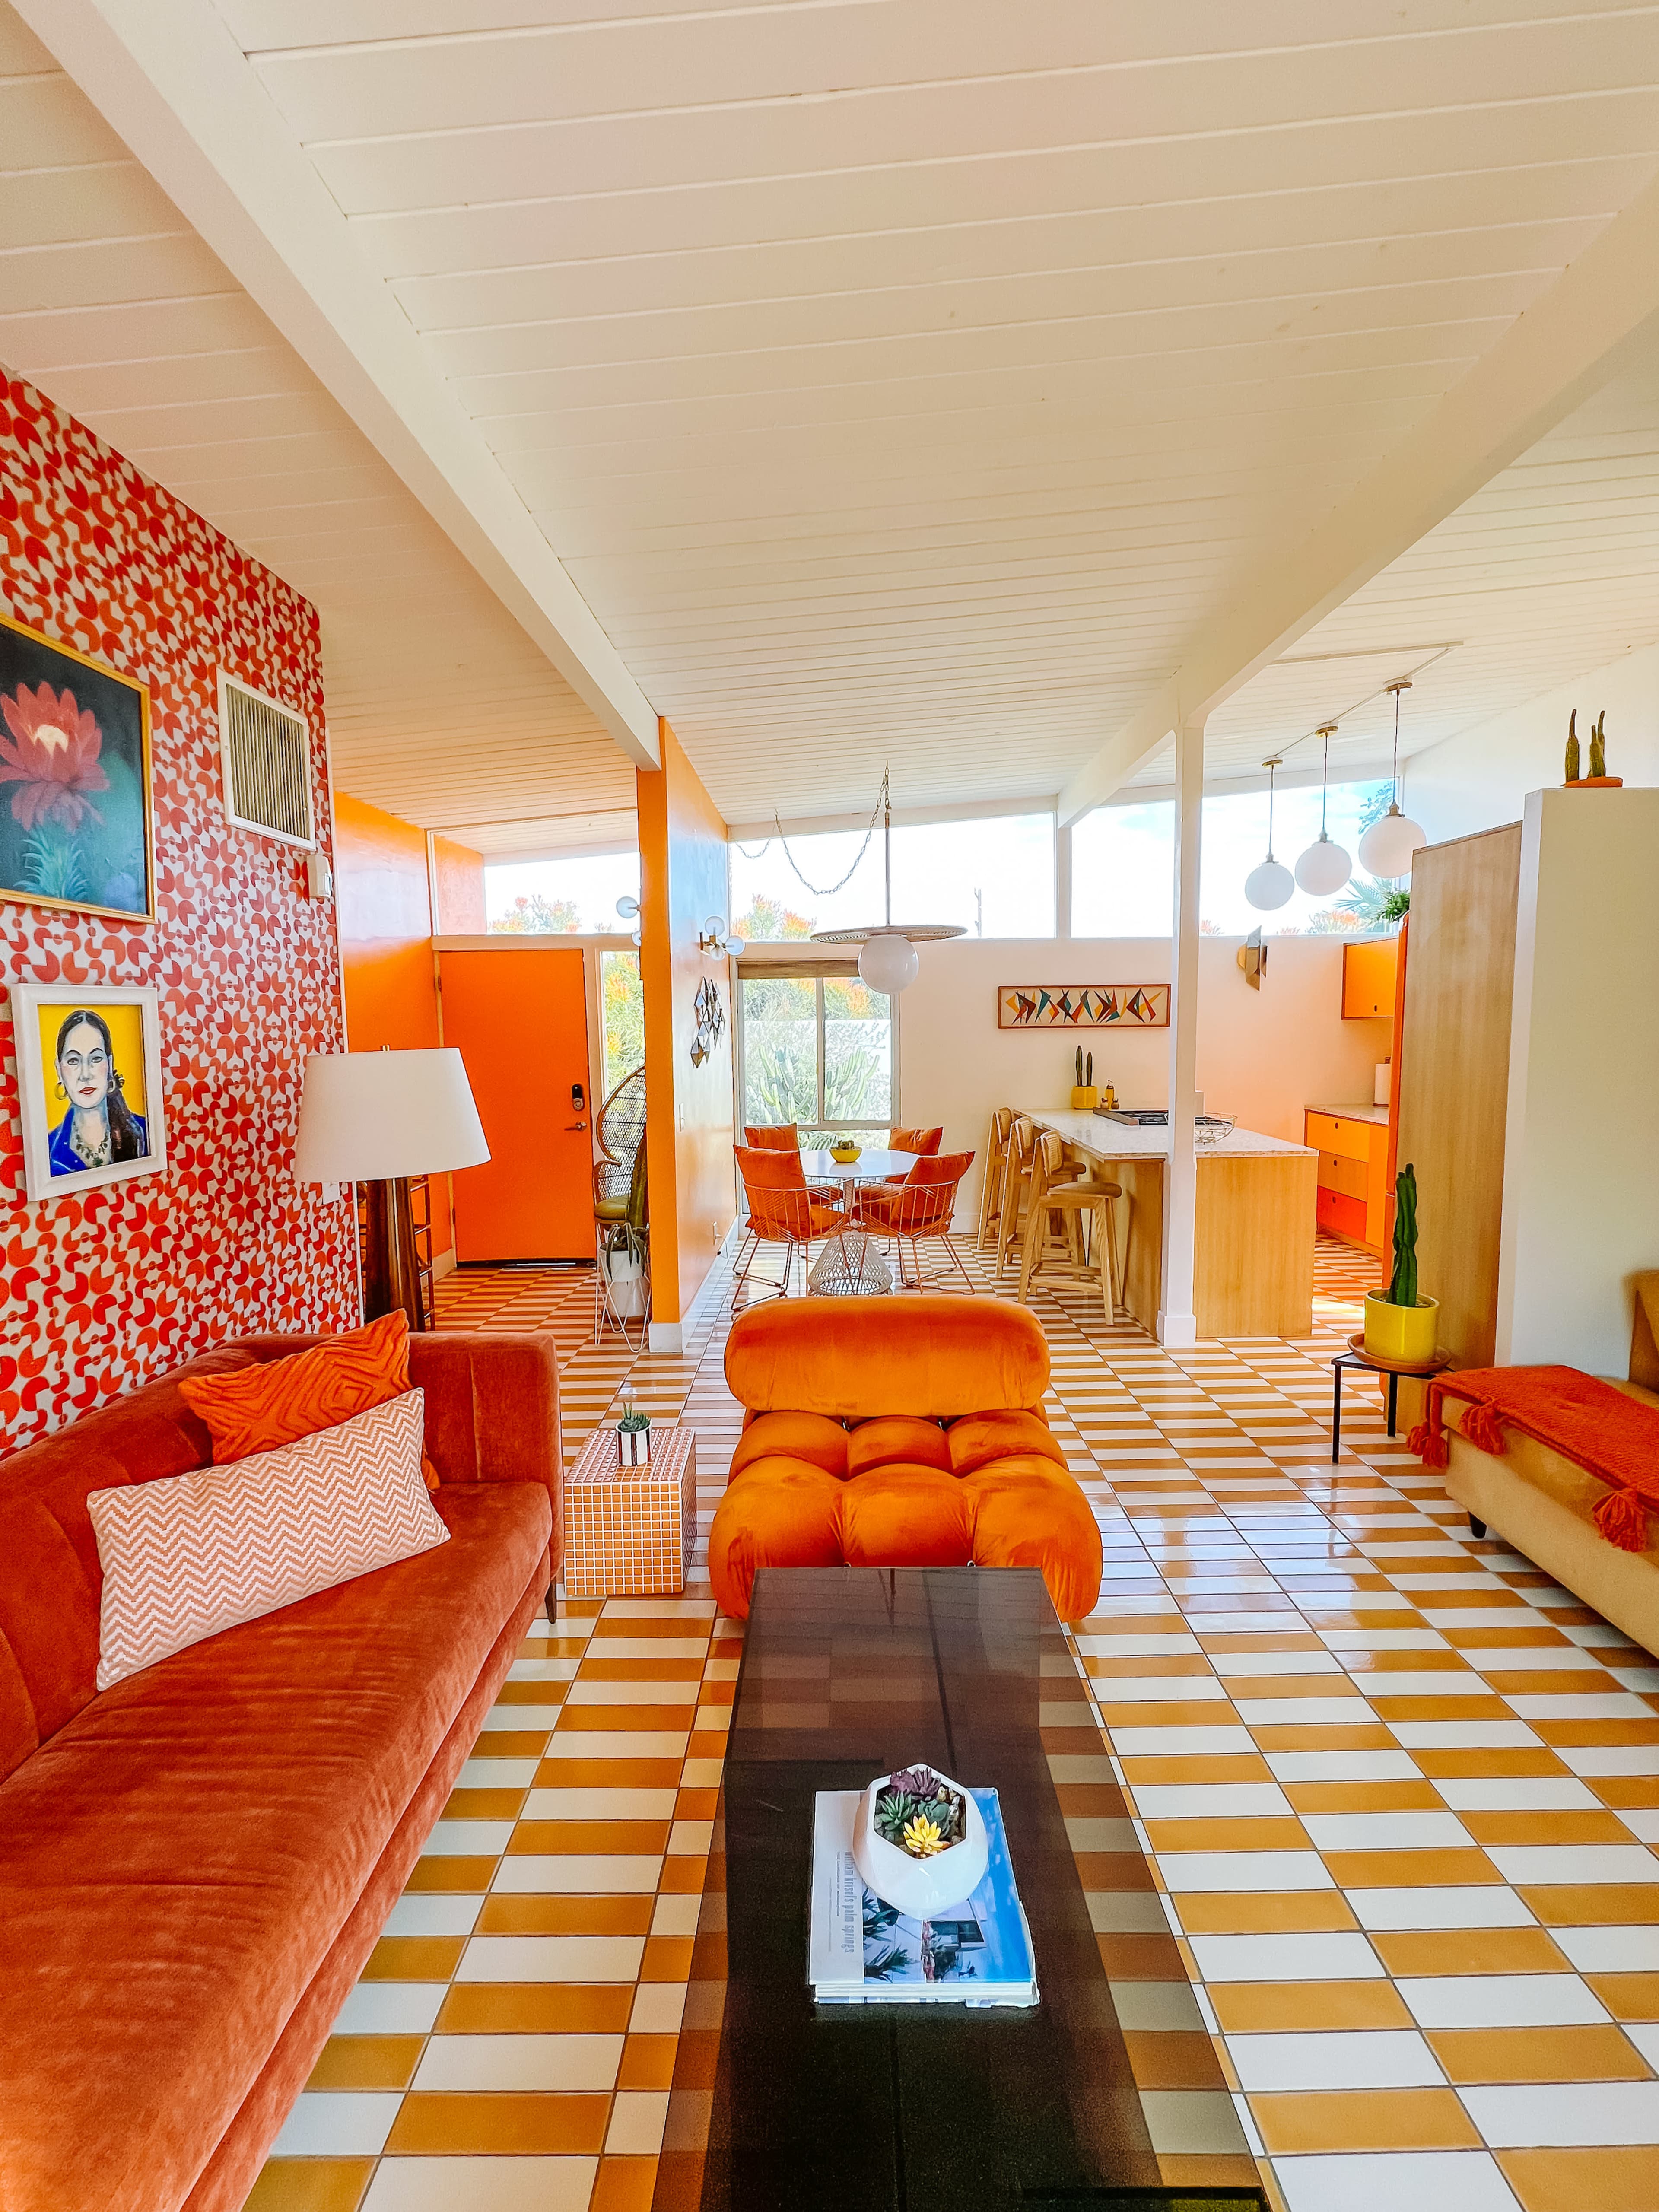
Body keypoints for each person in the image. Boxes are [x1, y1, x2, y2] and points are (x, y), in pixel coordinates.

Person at [47, 1007, 148, 1175]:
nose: (86, 1075)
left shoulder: (144, 1131)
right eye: (74, 1061)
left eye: (95, 1059)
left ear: (110, 1063)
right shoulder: (50, 1150)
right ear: (59, 1069)